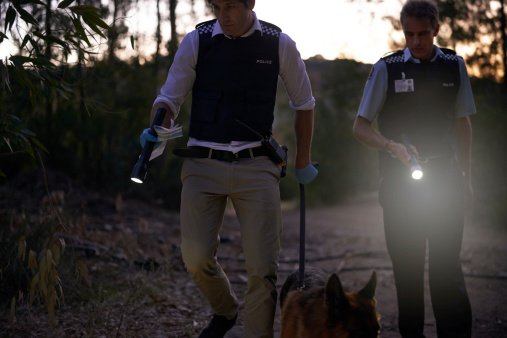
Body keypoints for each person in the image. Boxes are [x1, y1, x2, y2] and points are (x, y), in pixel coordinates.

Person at [140, 0, 318, 337]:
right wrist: (157, 126)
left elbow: (304, 104)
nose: (224, 15)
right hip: (202, 163)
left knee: (262, 269)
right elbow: (170, 98)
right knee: (195, 257)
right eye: (217, 6)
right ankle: (225, 311)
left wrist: (303, 159)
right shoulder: (199, 40)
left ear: (250, 3)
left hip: (257, 166)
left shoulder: (278, 43)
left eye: (232, 6)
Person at [352, 0, 475, 337]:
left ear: (436, 29)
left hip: (446, 179)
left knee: (446, 269)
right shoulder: (386, 69)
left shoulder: (454, 66)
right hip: (399, 183)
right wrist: (390, 146)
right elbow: (360, 127)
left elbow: (463, 124)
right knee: (407, 272)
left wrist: (466, 176)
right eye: (410, 34)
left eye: (423, 33)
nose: (417, 41)